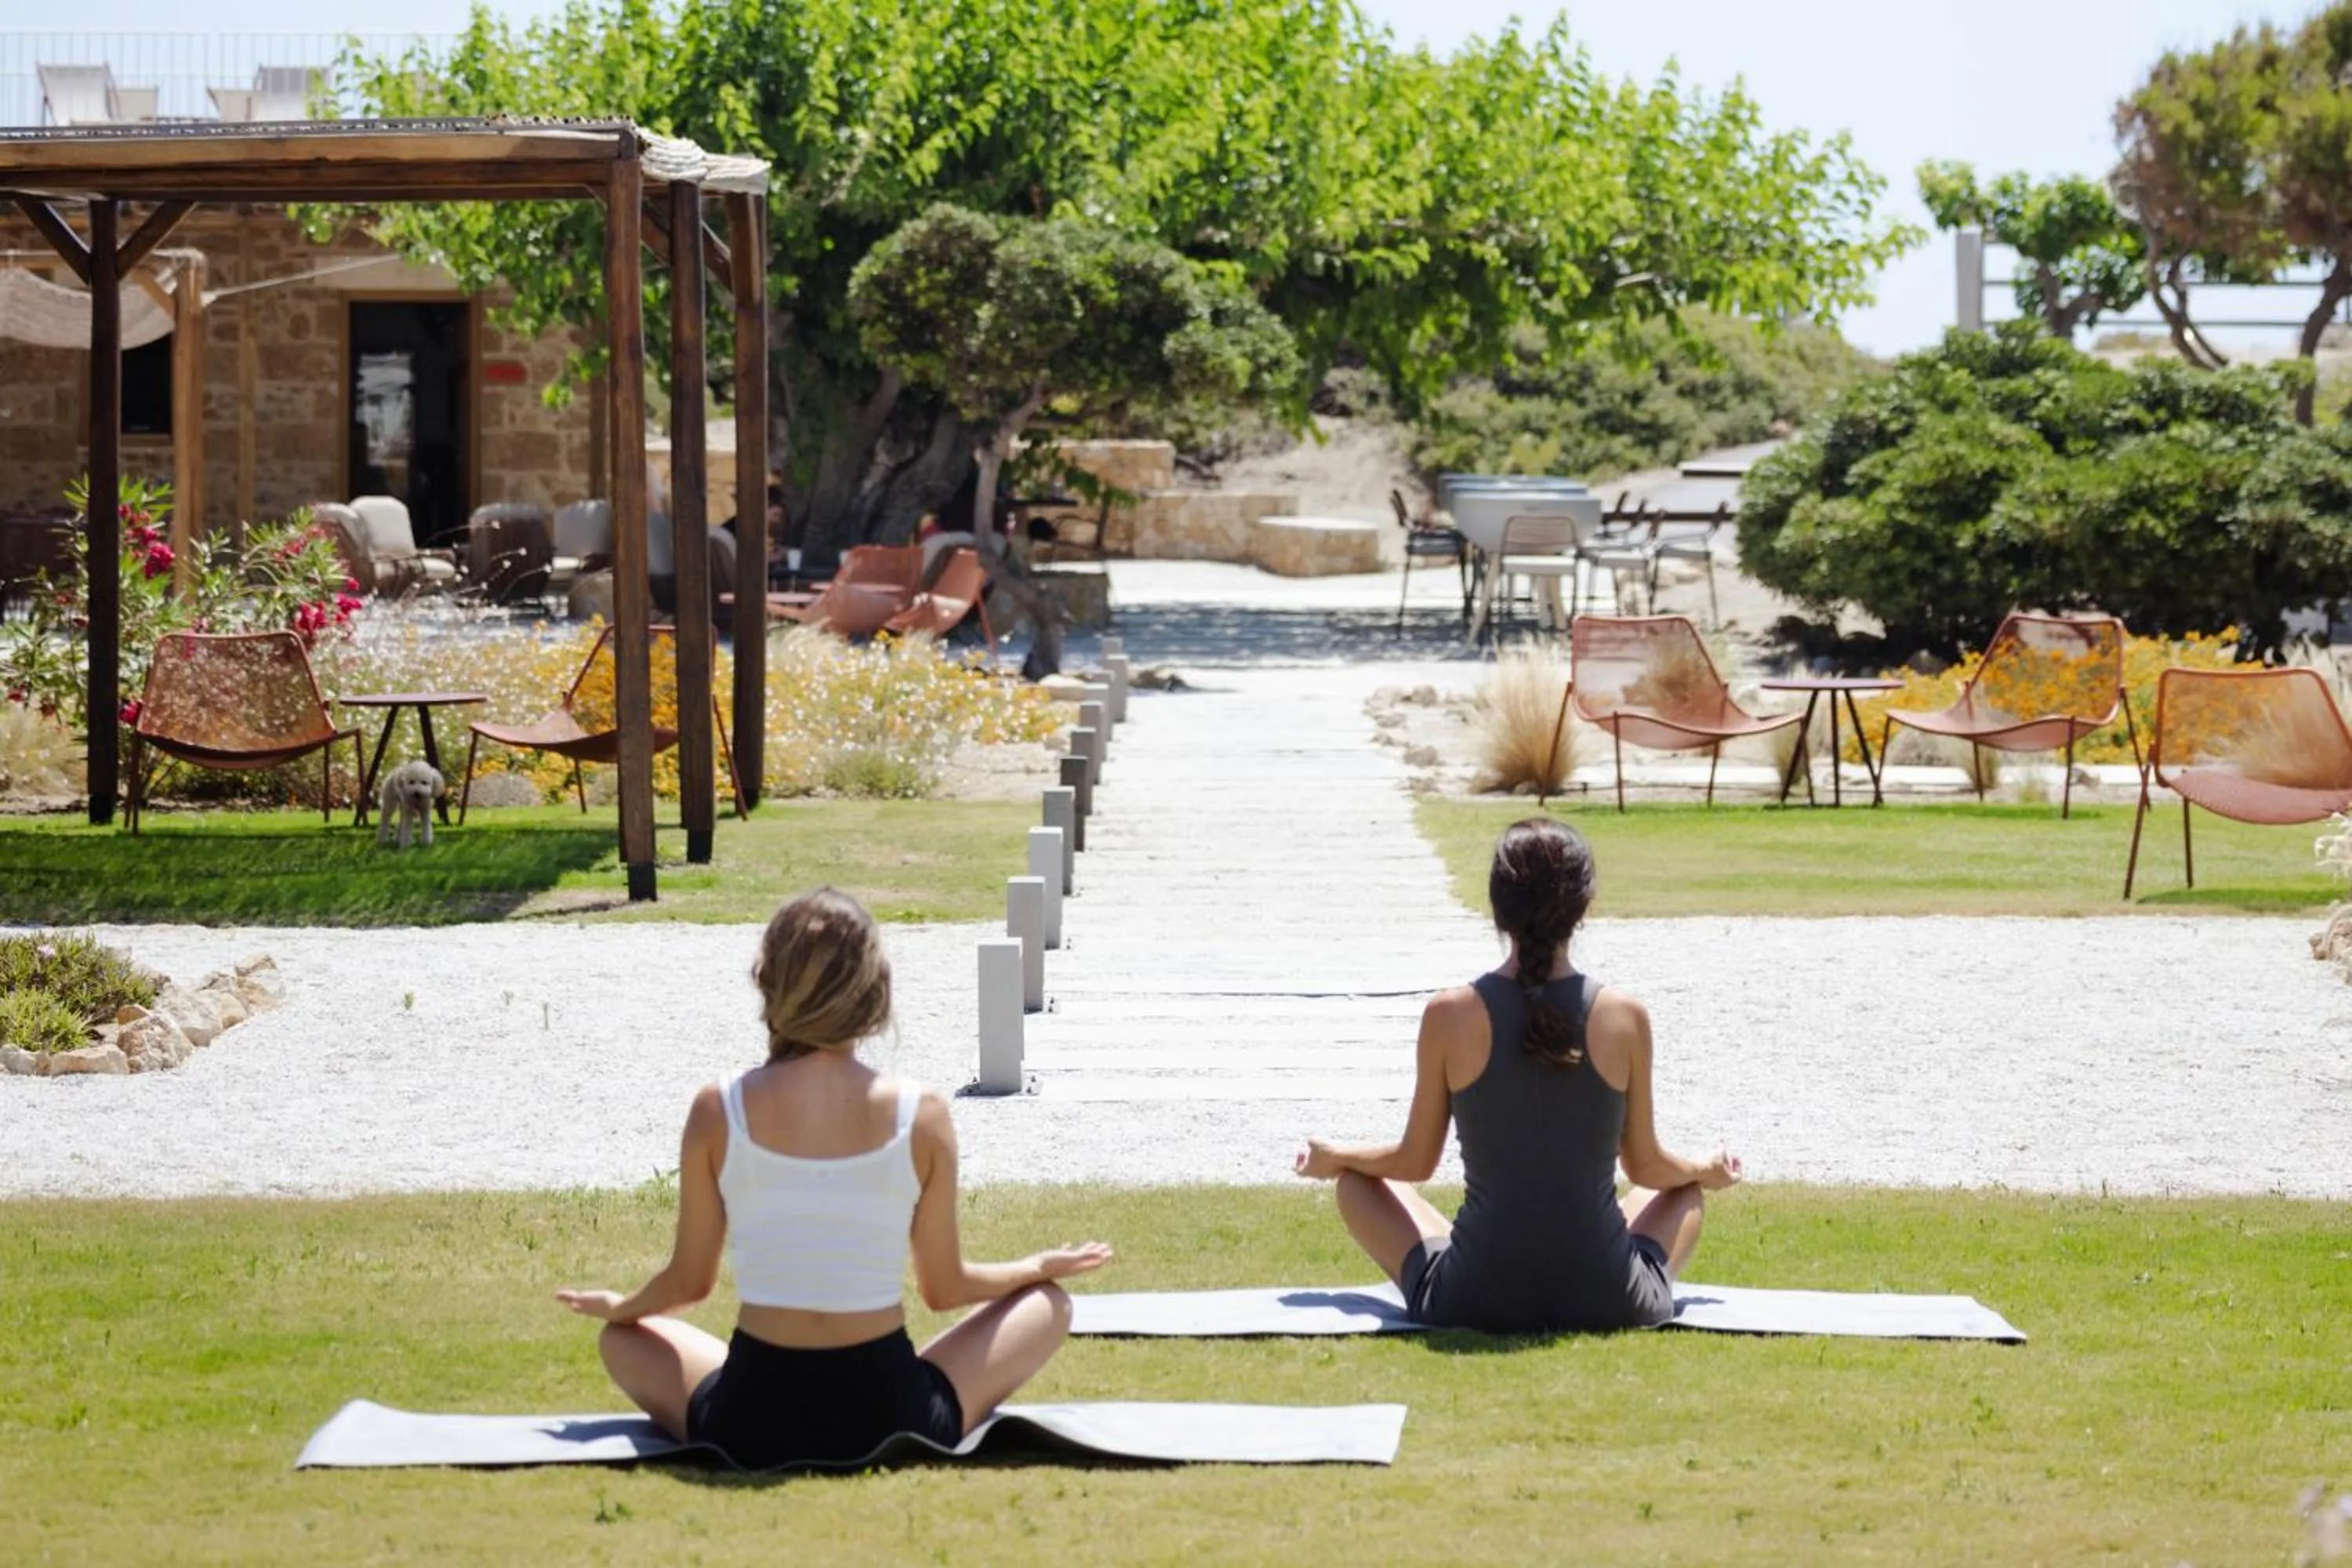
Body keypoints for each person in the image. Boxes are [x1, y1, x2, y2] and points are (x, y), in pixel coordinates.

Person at [556, 888, 1114, 1468]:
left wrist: (622, 1308)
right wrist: (1037, 1269)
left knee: (621, 1338)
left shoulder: (717, 1108)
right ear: (874, 992)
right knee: (1048, 1304)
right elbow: (944, 1289)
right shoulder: (921, 1113)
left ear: (769, 981)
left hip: (749, 1419)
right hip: (890, 1417)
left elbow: (688, 1283)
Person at [1293, 818, 1741, 1333]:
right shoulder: (1625, 1015)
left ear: (1497, 907)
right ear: (1584, 906)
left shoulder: (1449, 1013)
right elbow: (1647, 1168)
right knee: (1682, 1190)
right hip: (1608, 1299)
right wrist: (1705, 1169)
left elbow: (1414, 1162)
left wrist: (1337, 1159)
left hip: (1475, 1298)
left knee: (1356, 1185)